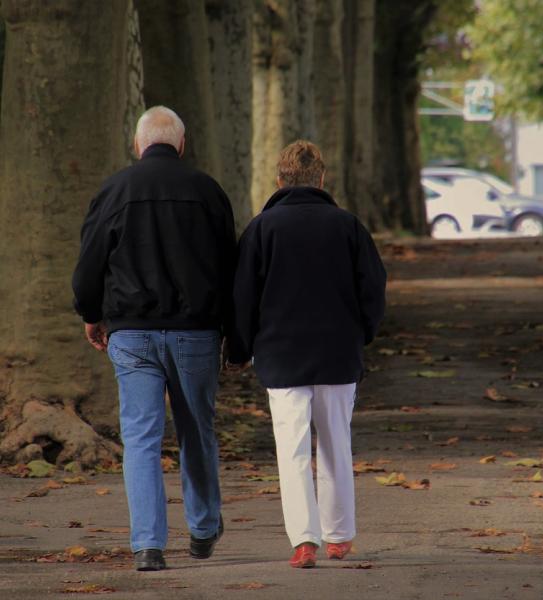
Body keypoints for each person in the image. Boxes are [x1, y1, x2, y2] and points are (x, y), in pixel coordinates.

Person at [72, 106, 236, 571]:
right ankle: (203, 528)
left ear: (137, 144)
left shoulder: (115, 189)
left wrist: (91, 314)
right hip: (196, 334)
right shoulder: (208, 191)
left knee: (141, 438)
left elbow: (89, 264)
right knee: (196, 431)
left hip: (132, 332)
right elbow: (231, 269)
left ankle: (148, 544)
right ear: (181, 145)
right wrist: (235, 333)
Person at [228, 140, 386, 568]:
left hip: (281, 356)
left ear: (279, 181)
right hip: (338, 353)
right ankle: (339, 535)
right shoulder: (348, 226)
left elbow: (243, 297)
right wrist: (363, 334)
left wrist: (239, 349)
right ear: (322, 179)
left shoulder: (262, 229)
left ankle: (304, 539)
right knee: (337, 443)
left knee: (292, 450)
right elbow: (372, 289)